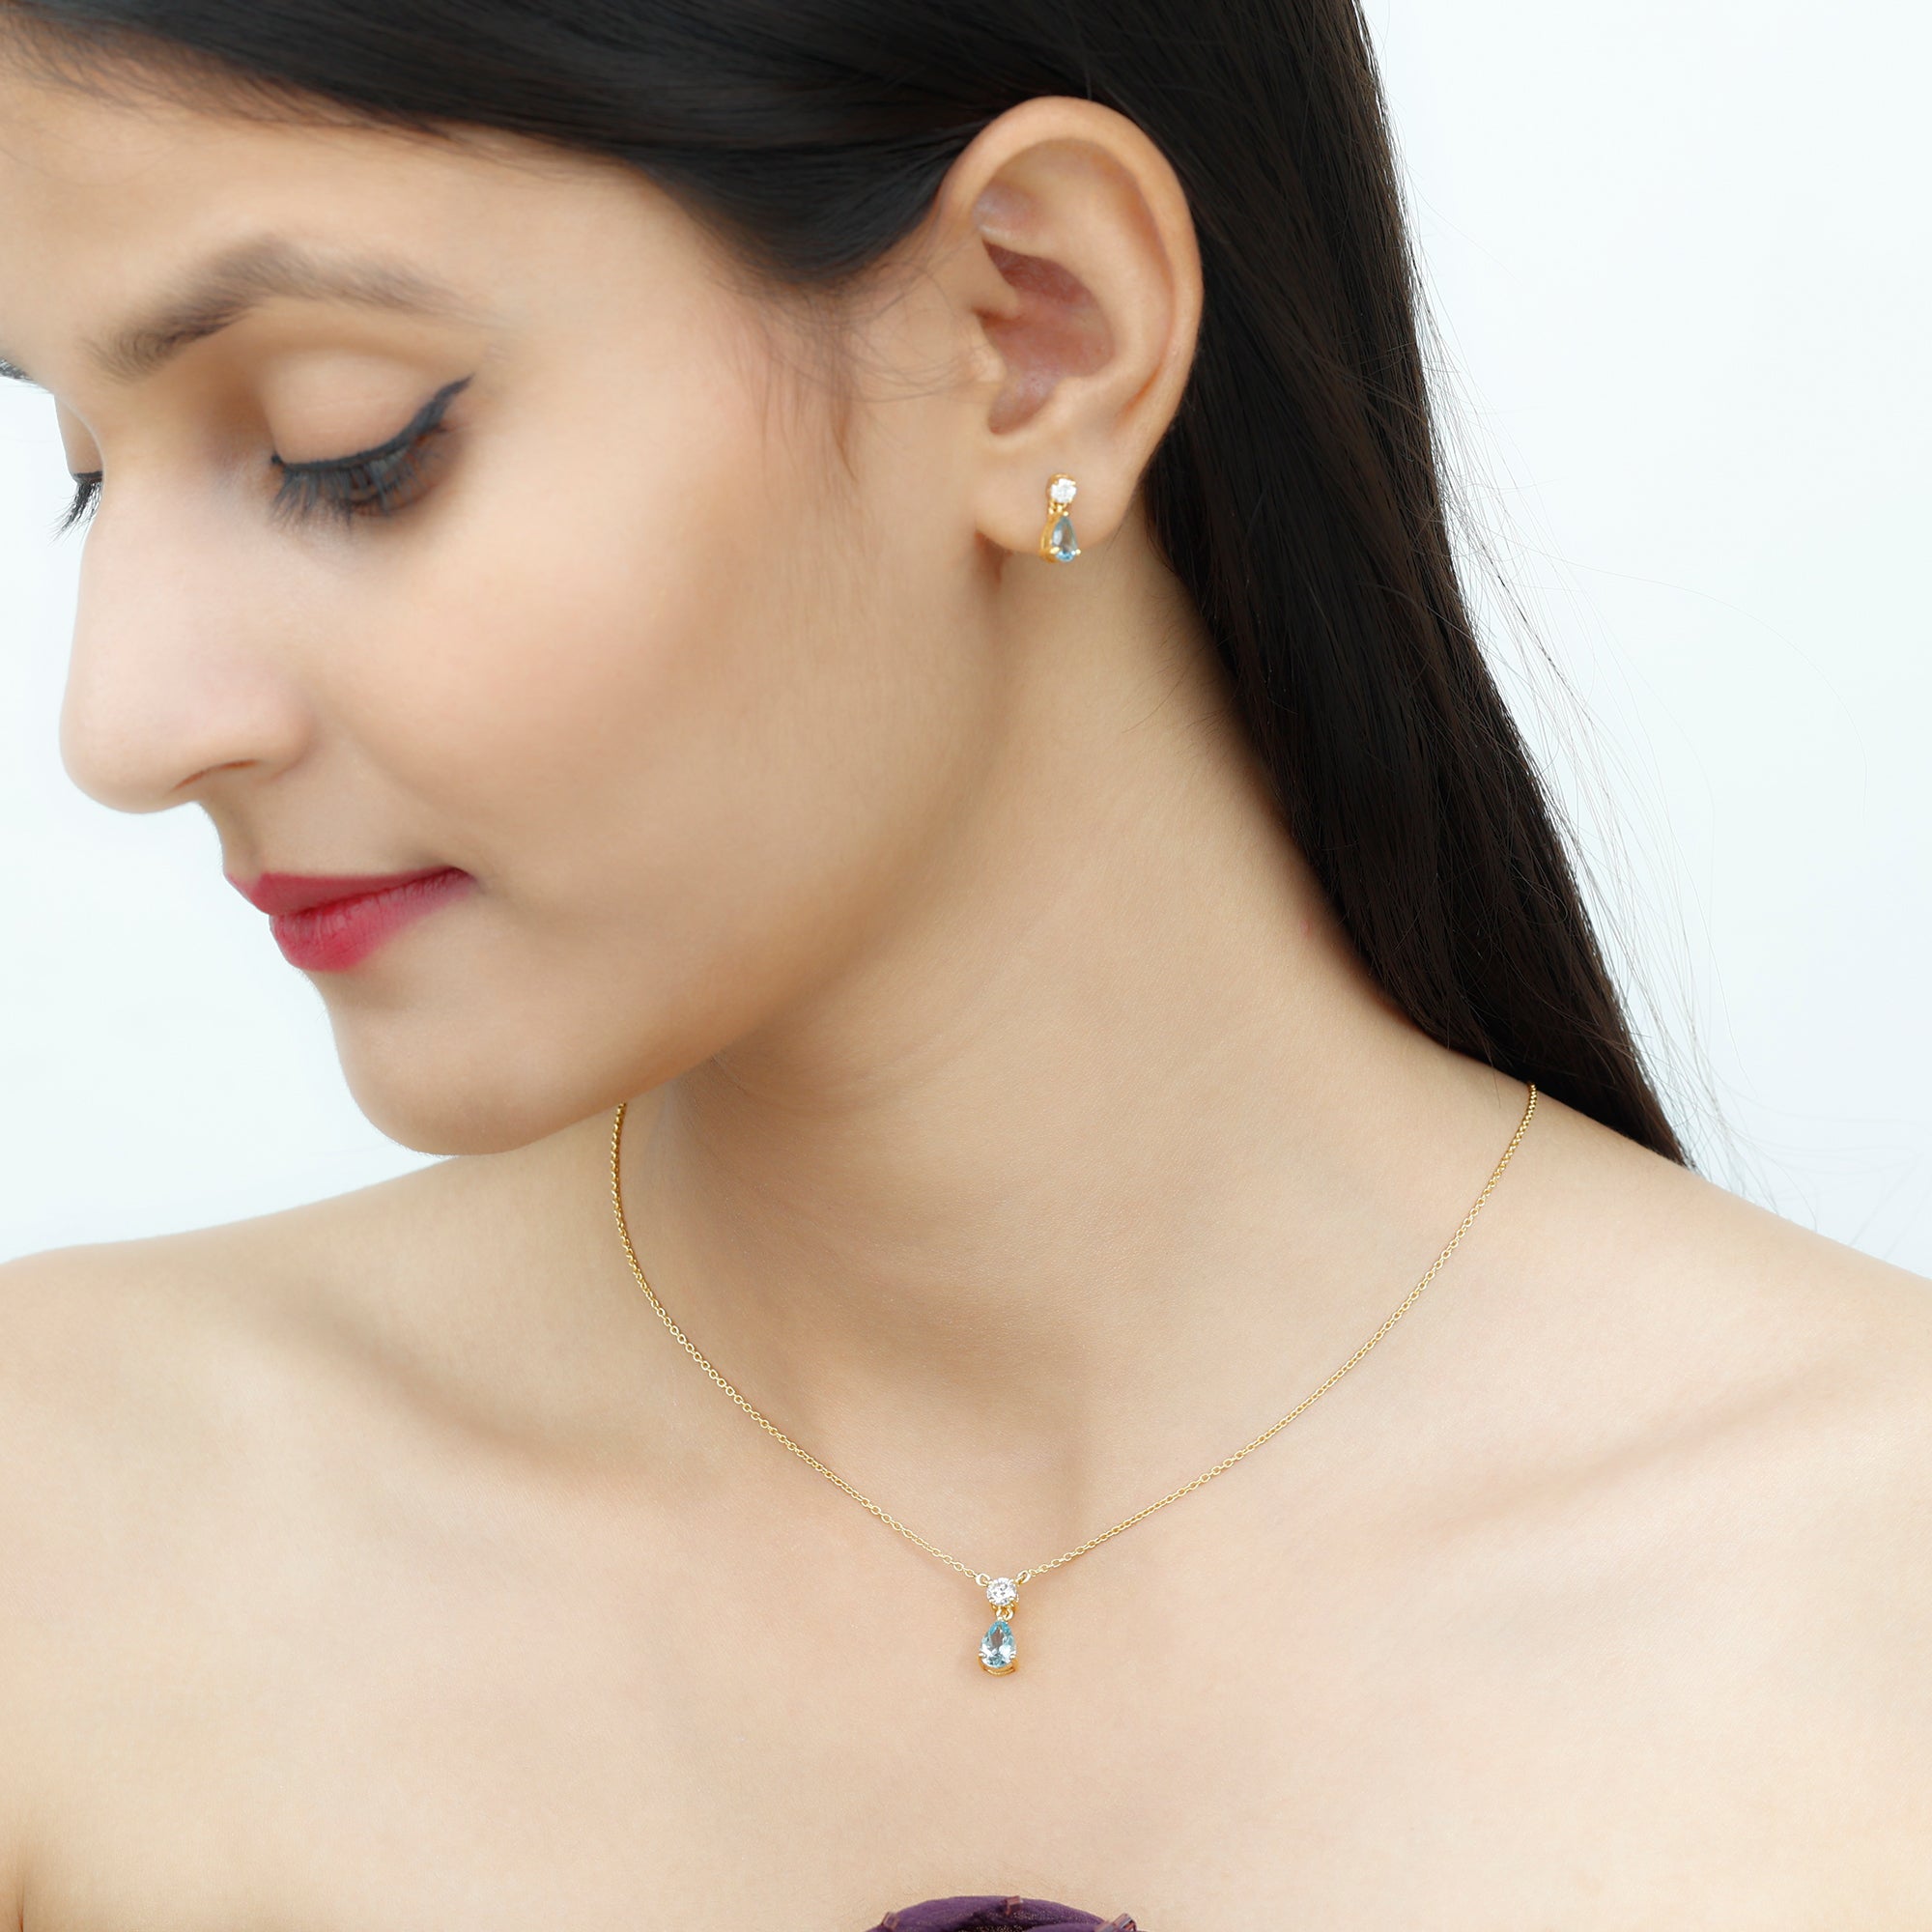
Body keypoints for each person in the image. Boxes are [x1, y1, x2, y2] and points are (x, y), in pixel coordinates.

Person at [0, 2, 1926, 1926]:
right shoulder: (66, 1534)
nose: (123, 723)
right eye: (86, 468)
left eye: (346, 447)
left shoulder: (1867, 1618)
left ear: (1032, 334)